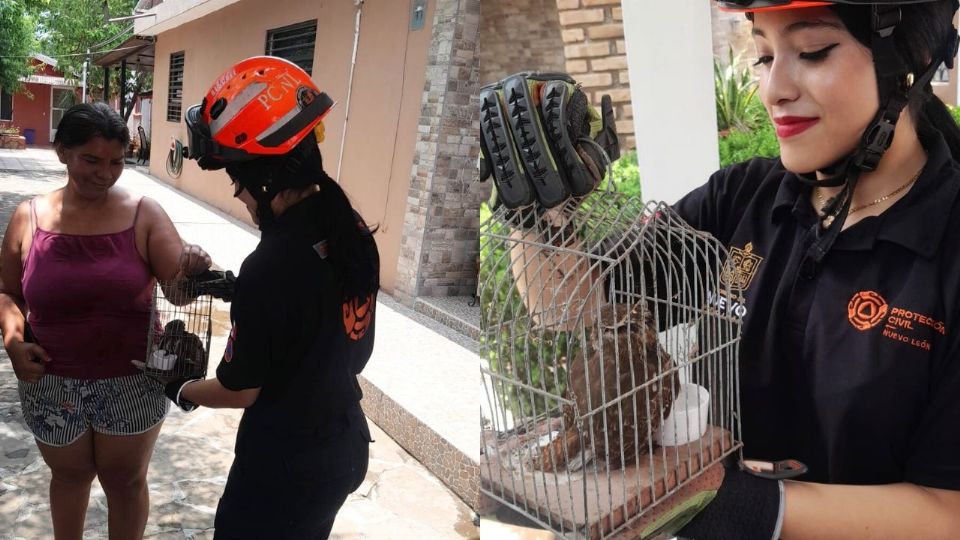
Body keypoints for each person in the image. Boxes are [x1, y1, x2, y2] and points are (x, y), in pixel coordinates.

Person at [484, 1, 960, 538]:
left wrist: (740, 505)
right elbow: (569, 305)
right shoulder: (741, 199)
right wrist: (537, 210)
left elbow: (949, 512)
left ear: (911, 59)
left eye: (813, 51)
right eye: (763, 57)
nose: (773, 90)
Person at [154, 56, 380, 540]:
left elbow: (239, 390)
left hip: (284, 470)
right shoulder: (350, 228)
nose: (238, 195)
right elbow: (322, 314)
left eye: (236, 179)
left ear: (266, 178)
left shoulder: (272, 264)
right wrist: (233, 288)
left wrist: (179, 388)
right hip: (342, 445)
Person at [0, 102, 212, 539]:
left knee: (125, 481)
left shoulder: (144, 213)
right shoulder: (28, 217)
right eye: (91, 160)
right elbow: (8, 293)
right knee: (69, 478)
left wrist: (191, 269)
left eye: (117, 162)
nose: (105, 173)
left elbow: (177, 292)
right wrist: (13, 342)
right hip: (50, 382)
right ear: (63, 152)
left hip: (132, 381)